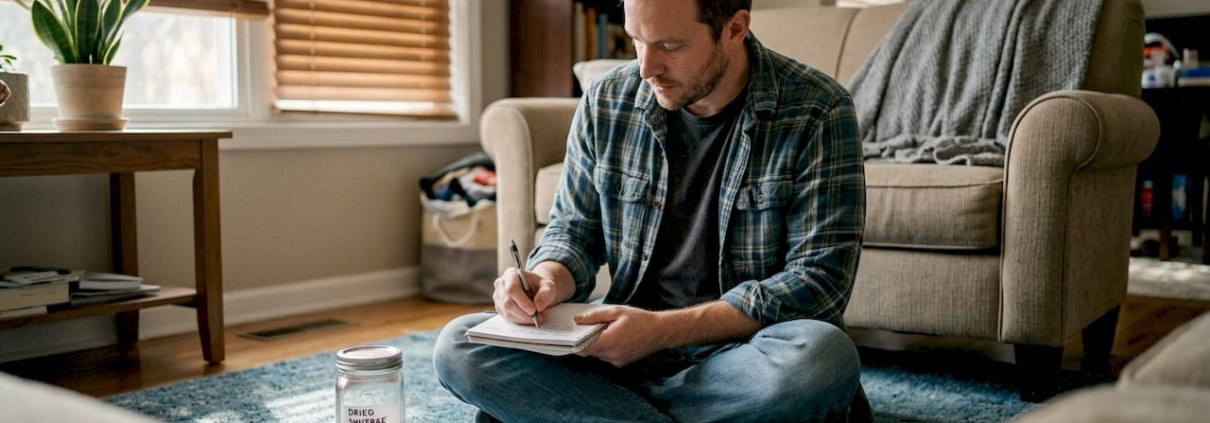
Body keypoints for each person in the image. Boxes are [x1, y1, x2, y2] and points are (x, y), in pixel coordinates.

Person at [434, 0, 866, 421]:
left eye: (670, 46)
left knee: (820, 359)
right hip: (614, 349)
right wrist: (544, 278)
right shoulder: (607, 100)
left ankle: (588, 408)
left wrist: (661, 331)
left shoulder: (819, 109)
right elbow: (574, 233)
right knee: (459, 346)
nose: (646, 67)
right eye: (636, 40)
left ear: (735, 29)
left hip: (739, 352)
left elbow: (818, 283)